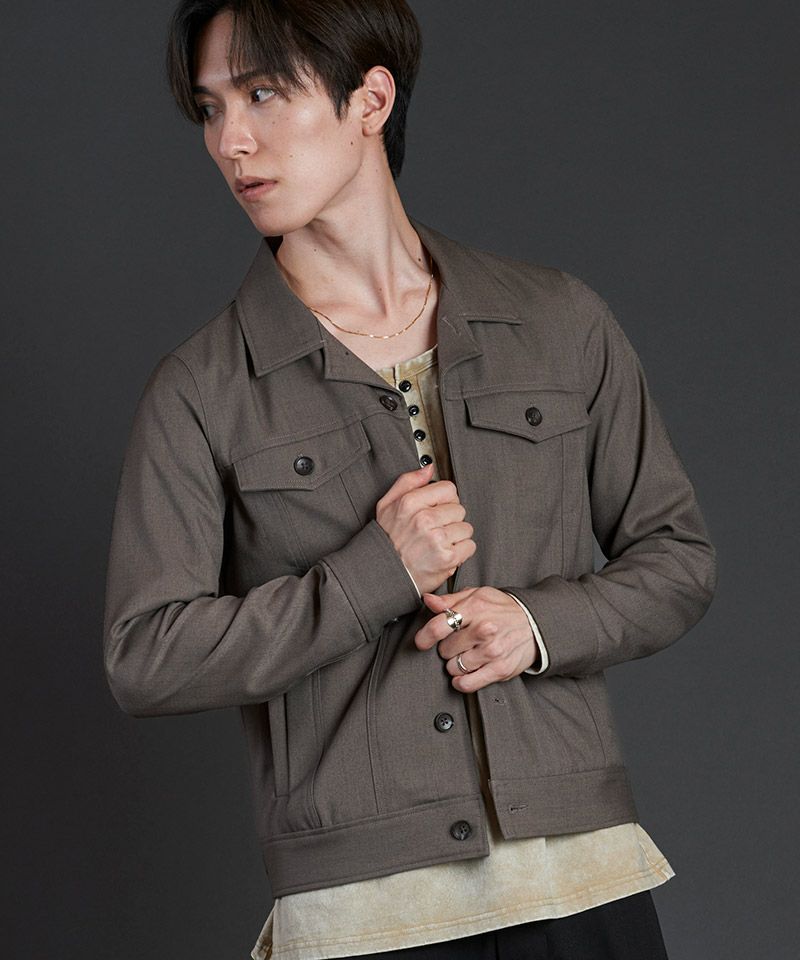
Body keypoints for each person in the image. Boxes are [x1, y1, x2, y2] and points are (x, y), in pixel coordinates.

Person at [102, 1, 716, 957]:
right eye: (211, 109)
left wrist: (539, 626)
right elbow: (146, 655)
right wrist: (369, 578)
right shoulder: (204, 389)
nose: (231, 141)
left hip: (584, 881)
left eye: (263, 95)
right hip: (367, 915)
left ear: (370, 99)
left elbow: (677, 559)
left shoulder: (558, 321)